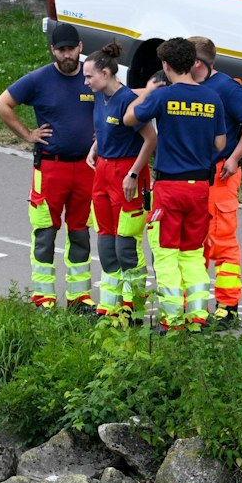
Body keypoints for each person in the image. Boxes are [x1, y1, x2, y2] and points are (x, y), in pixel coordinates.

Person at [123, 38, 227, 331]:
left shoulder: (164, 96)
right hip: (199, 188)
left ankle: (172, 320)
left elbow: (130, 117)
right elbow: (220, 142)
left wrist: (148, 94)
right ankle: (197, 318)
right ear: (194, 63)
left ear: (166, 66)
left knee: (166, 255)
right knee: (193, 253)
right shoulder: (212, 98)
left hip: (169, 187)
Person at [0, 21, 97, 310]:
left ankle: (79, 298)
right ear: (52, 50)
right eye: (60, 50)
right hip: (52, 168)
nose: (66, 56)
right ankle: (44, 298)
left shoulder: (92, 75)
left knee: (80, 233)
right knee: (46, 233)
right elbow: (1, 105)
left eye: (71, 50)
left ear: (80, 48)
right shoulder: (38, 80)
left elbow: (118, 100)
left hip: (86, 170)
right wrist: (28, 135)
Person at [189, 36, 242, 327]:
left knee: (221, 242)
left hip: (220, 176)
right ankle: (195, 305)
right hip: (191, 176)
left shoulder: (225, 88)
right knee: (193, 243)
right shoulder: (184, 83)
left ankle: (227, 306)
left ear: (198, 62)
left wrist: (234, 158)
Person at [83, 42, 156, 321]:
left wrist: (134, 174)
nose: (85, 81)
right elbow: (104, 129)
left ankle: (133, 307)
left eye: (89, 76)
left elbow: (151, 139)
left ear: (105, 73)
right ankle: (109, 307)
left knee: (126, 245)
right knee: (106, 242)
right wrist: (95, 147)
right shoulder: (100, 97)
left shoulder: (128, 100)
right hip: (103, 171)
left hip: (126, 172)